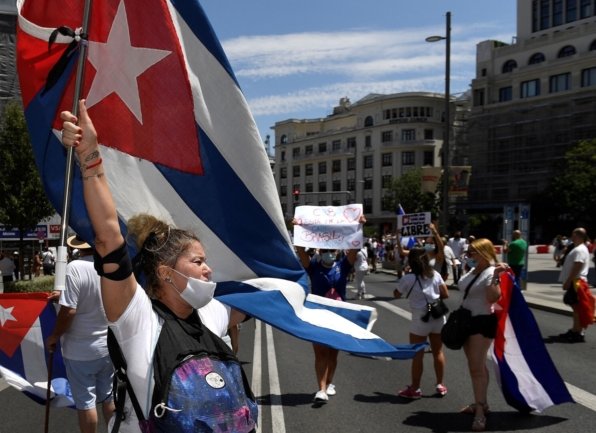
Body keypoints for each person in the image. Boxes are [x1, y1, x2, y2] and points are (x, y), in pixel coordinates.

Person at [59, 101, 256, 433]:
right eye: (198, 262)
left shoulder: (212, 313)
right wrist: (89, 156)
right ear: (166, 272)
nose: (209, 270)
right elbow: (108, 236)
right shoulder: (137, 319)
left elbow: (266, 294)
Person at [46, 235, 114, 433]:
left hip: (80, 349)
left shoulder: (75, 267)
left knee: (86, 403)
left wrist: (54, 337)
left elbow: (69, 311)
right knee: (110, 398)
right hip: (108, 345)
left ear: (78, 248)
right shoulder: (109, 266)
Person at [294, 237, 365, 404]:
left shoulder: (343, 267)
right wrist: (299, 231)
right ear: (320, 252)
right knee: (320, 353)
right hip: (317, 316)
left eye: (332, 251)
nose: (328, 254)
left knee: (333, 352)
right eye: (325, 251)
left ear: (337, 252)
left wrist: (358, 226)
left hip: (338, 316)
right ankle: (321, 389)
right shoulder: (313, 268)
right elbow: (301, 251)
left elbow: (354, 250)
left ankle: (330, 382)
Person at [457, 239, 506, 432]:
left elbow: (493, 298)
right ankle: (481, 403)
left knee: (476, 369)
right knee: (476, 367)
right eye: (468, 253)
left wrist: (495, 275)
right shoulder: (472, 270)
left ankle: (479, 413)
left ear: (485, 253)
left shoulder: (490, 272)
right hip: (465, 321)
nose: (468, 256)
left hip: (482, 322)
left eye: (472, 253)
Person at [393, 246, 449, 399]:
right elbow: (446, 294)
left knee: (418, 355)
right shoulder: (435, 274)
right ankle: (440, 384)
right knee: (438, 352)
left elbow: (396, 294)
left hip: (420, 319)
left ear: (411, 260)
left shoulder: (408, 278)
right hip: (438, 317)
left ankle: (416, 389)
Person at [559, 228, 593, 343]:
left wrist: (568, 282)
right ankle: (575, 330)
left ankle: (579, 332)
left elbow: (577, 266)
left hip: (576, 282)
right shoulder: (579, 248)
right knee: (576, 308)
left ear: (575, 235)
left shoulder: (579, 250)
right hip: (576, 281)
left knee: (577, 309)